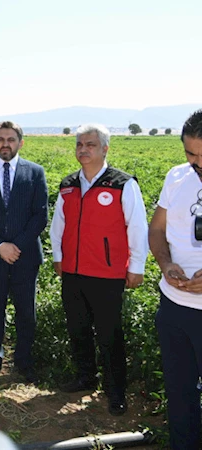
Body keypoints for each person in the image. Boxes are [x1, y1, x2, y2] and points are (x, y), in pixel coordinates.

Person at [49, 124, 147, 415]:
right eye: (79, 144)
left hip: (107, 273)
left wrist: (137, 266)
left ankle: (115, 391)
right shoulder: (68, 184)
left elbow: (137, 227)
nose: (83, 150)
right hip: (73, 271)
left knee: (109, 334)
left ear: (105, 149)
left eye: (90, 145)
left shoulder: (122, 184)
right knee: (77, 328)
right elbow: (58, 225)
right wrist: (58, 257)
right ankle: (85, 377)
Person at [0, 121, 47, 382]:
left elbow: (40, 215)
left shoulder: (35, 172)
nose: (5, 144)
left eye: (11, 139)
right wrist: (0, 246)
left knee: (26, 310)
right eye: (1, 139)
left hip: (26, 255)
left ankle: (24, 361)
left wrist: (16, 246)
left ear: (20, 143)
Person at [149, 109, 202, 448]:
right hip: (174, 308)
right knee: (180, 393)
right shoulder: (177, 177)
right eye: (191, 154)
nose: (198, 163)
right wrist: (166, 263)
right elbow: (157, 230)